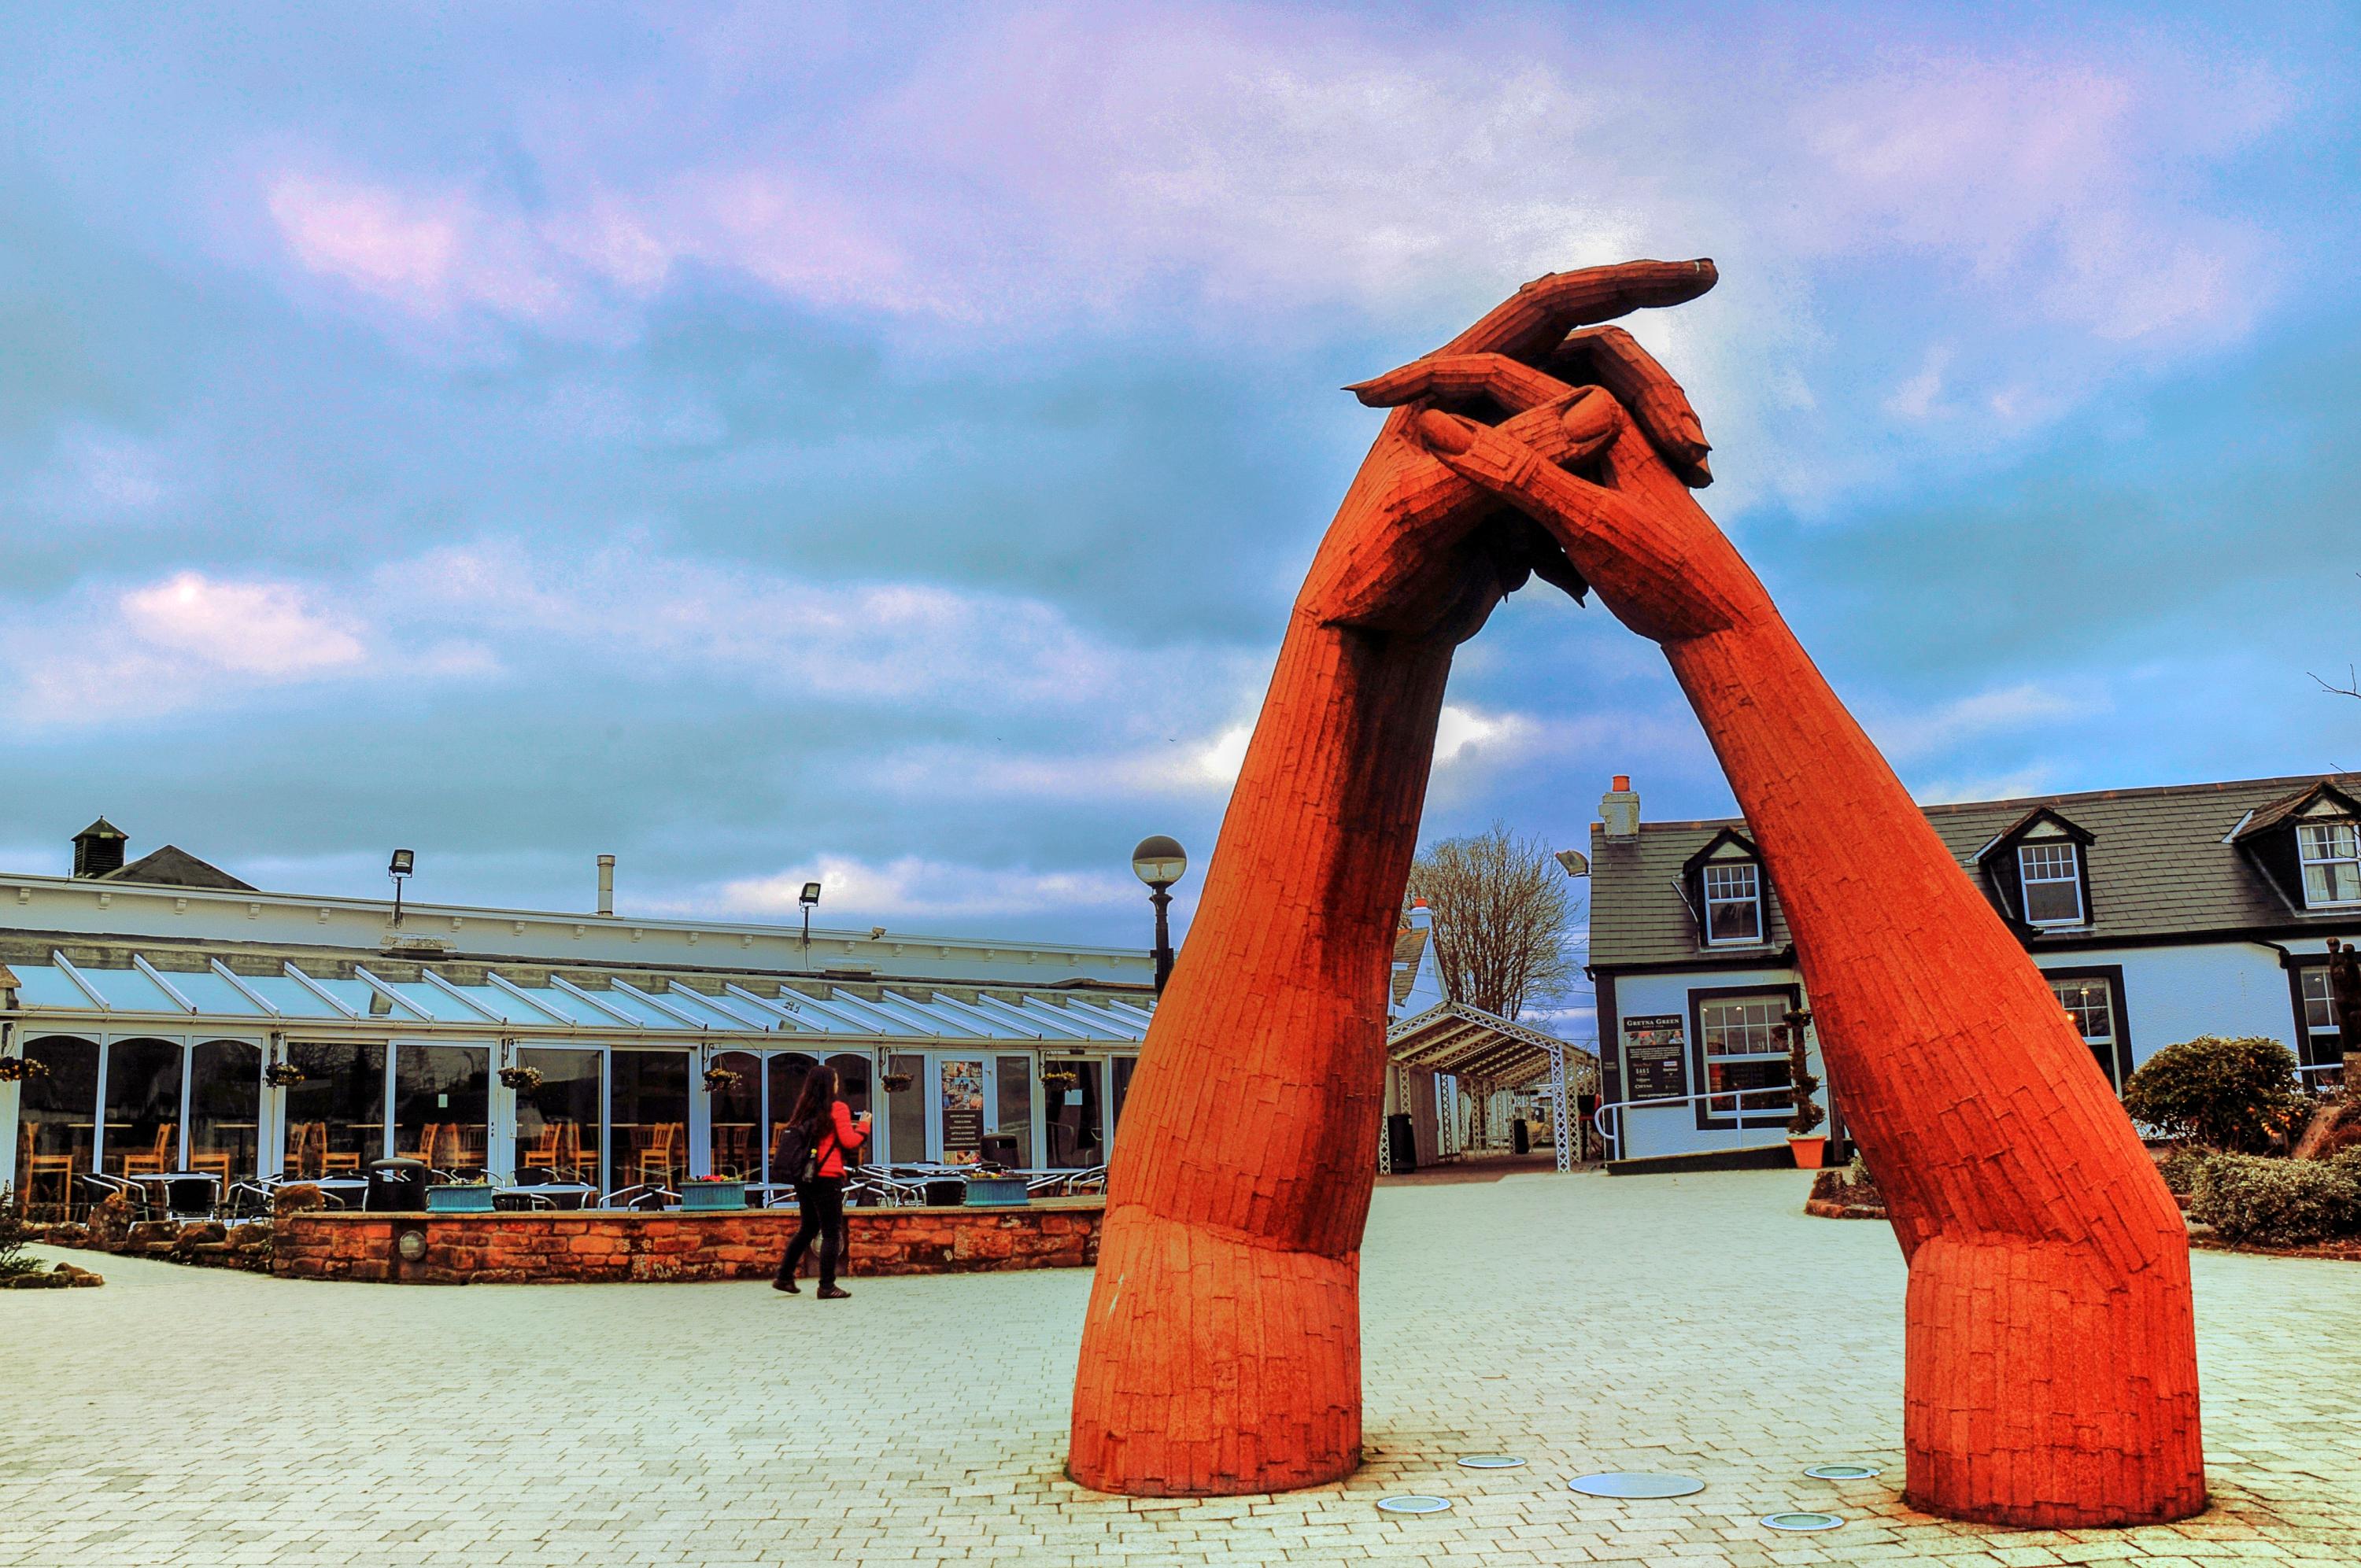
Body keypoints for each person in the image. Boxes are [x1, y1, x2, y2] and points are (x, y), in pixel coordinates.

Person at [773, 1063, 867, 1299]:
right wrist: (865, 1125)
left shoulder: (805, 1109)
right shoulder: (838, 1108)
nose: (837, 1085)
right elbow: (849, 1141)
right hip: (828, 1176)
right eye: (835, 1081)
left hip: (805, 1176)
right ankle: (827, 1285)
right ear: (830, 1085)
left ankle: (784, 1276)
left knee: (808, 1228)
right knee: (832, 1231)